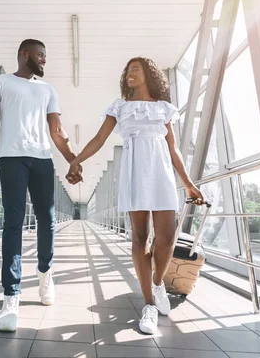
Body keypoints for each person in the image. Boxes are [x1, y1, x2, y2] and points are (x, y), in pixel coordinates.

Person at [66, 57, 204, 335]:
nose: (130, 73)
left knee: (166, 237)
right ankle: (149, 305)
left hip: (161, 171)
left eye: (135, 69)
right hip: (133, 170)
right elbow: (99, 139)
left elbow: (173, 149)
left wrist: (188, 184)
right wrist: (76, 160)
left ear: (148, 75)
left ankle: (157, 282)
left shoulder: (164, 109)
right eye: (128, 70)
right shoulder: (120, 107)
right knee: (140, 237)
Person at [0, 39, 82, 332]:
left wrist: (72, 159)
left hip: (42, 159)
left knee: (46, 220)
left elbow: (56, 130)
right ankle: (11, 294)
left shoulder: (47, 90)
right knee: (14, 221)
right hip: (11, 158)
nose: (44, 59)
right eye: (40, 54)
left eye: (46, 55)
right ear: (24, 54)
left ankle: (45, 274)